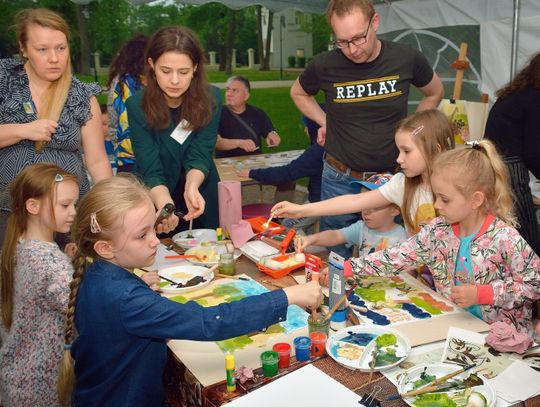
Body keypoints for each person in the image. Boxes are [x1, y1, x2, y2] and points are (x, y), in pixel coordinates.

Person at [56, 175, 322, 407]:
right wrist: (288, 296)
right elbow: (209, 322)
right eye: (142, 235)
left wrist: (137, 286)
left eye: (153, 228)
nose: (155, 241)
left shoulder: (99, 274)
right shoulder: (126, 299)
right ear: (105, 248)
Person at [291, 0, 444, 256]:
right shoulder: (325, 64)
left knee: (387, 256)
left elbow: (434, 92)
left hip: (389, 179)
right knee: (337, 256)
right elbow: (298, 93)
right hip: (339, 175)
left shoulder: (405, 57)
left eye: (358, 38)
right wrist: (326, 121)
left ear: (374, 23)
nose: (351, 49)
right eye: (342, 41)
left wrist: (414, 136)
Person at [344, 140, 540, 334]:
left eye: (445, 199)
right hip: (455, 329)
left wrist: (484, 294)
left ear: (476, 200)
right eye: (435, 196)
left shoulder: (505, 238)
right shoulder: (437, 231)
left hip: (504, 339)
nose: (437, 205)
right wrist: (348, 268)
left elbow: (534, 283)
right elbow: (397, 256)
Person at [0, 8, 113, 245]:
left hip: (67, 218)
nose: (54, 58)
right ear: (23, 48)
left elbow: (97, 161)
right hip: (10, 215)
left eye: (61, 48)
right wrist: (22, 130)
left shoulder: (81, 95)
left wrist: (107, 207)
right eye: (42, 49)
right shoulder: (4, 82)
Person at [273, 109, 455, 243]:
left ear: (435, 150)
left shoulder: (458, 189)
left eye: (407, 151)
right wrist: (300, 210)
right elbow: (353, 202)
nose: (399, 159)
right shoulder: (403, 184)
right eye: (398, 150)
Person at [126, 26, 221, 234]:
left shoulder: (211, 100)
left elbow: (201, 152)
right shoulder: (137, 106)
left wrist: (192, 186)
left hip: (200, 189)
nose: (175, 80)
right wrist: (166, 206)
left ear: (195, 67)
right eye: (166, 71)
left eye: (184, 72)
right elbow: (150, 166)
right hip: (157, 193)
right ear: (152, 64)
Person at [0, 164, 78, 406]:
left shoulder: (18, 245)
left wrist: (67, 261)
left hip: (15, 377)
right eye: (65, 205)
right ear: (32, 206)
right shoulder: (50, 263)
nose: (73, 212)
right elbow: (84, 308)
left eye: (74, 204)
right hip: (42, 386)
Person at [297, 173, 406, 281]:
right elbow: (335, 236)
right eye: (364, 205)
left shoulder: (404, 238)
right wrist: (311, 239)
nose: (366, 212)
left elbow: (407, 274)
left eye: (374, 207)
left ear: (395, 210)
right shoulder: (362, 227)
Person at [484, 51, 540, 254]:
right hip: (509, 167)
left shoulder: (516, 93)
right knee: (527, 240)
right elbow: (533, 151)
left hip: (491, 163)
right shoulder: (534, 97)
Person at [237, 112, 324, 234]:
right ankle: (311, 240)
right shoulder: (332, 146)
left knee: (288, 224)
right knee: (304, 203)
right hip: (328, 197)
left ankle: (300, 249)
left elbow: (285, 174)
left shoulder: (317, 152)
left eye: (307, 125)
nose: (305, 130)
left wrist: (252, 173)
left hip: (321, 201)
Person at [107, 34, 149, 173]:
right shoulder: (153, 83)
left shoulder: (118, 83)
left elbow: (113, 121)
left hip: (125, 159)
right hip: (152, 158)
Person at [215, 75, 280, 158]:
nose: (229, 94)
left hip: (254, 163)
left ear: (246, 96)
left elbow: (270, 132)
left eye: (235, 90)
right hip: (227, 165)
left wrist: (273, 137)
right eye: (228, 89)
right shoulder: (217, 114)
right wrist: (239, 143)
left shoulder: (257, 113)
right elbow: (216, 142)